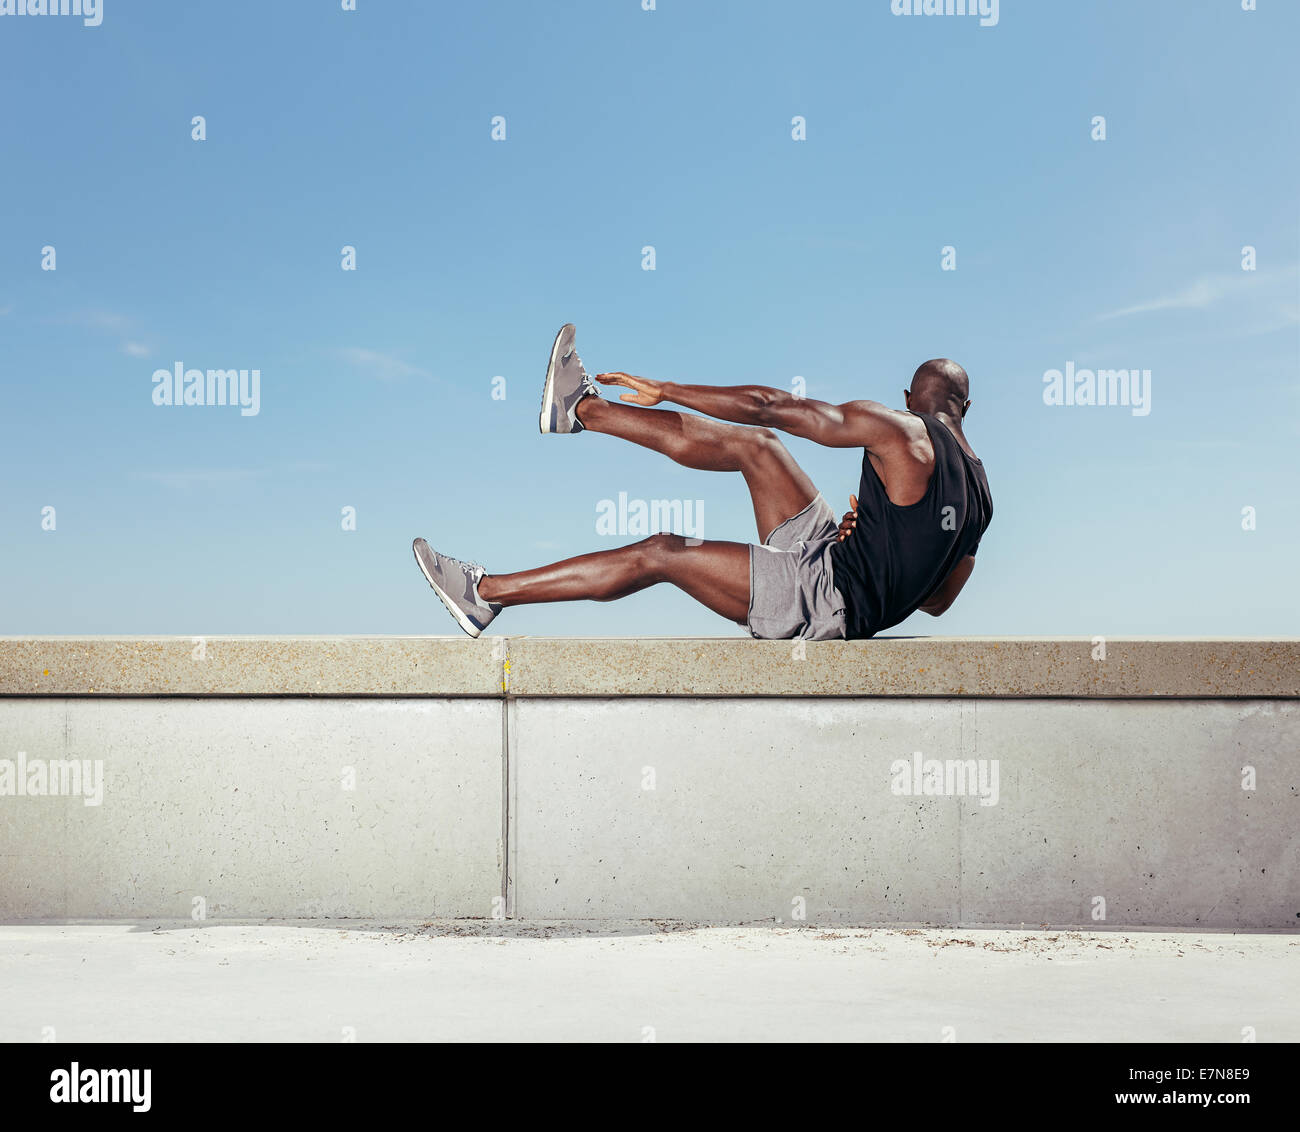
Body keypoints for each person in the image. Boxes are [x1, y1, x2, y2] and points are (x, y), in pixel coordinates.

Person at [413, 324, 992, 641]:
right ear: (966, 407)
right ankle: (582, 409)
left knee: (662, 552)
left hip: (826, 601)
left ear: (910, 398)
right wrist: (884, 547)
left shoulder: (901, 430)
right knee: (756, 447)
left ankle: (485, 594)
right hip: (836, 561)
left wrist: (668, 388)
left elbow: (774, 405)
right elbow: (938, 602)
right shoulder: (982, 497)